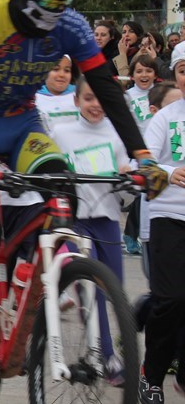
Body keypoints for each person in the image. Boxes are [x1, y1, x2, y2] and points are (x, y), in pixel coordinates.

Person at [0, 0, 167, 404]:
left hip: (23, 123)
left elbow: (109, 90)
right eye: (44, 5)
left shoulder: (74, 26)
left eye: (61, 5)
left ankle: (32, 279)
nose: (52, 16)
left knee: (61, 187)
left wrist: (142, 154)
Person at [51, 77, 131, 386]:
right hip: (77, 223)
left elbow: (127, 188)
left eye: (100, 99)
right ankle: (106, 355)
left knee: (116, 290)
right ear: (76, 101)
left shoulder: (117, 133)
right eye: (88, 99)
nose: (94, 105)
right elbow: (51, 175)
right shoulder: (61, 133)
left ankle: (110, 347)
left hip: (107, 220)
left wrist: (127, 178)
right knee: (94, 289)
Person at [138, 53, 185, 404]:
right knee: (170, 300)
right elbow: (147, 162)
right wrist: (169, 173)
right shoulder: (166, 118)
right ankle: (152, 375)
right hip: (169, 214)